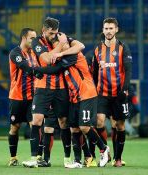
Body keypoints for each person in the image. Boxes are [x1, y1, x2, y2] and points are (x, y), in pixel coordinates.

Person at [34, 34, 110, 168]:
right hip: (75, 97)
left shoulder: (73, 56)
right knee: (74, 129)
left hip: (87, 93)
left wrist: (36, 70)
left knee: (84, 126)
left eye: (64, 44)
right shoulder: (63, 58)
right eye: (60, 45)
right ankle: (77, 161)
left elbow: (54, 69)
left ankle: (104, 149)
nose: (63, 46)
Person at [22, 17, 82, 168]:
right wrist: (62, 46)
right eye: (51, 33)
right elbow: (47, 60)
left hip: (61, 88)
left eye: (55, 33)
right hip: (42, 88)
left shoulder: (61, 36)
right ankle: (34, 158)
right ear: (44, 30)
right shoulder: (37, 42)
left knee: (63, 123)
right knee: (36, 121)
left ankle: (68, 160)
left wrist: (63, 51)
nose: (53, 36)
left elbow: (80, 46)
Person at [92, 17, 132, 167]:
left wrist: (125, 89)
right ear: (103, 30)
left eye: (111, 28)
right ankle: (105, 152)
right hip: (102, 93)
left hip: (118, 94)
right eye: (106, 28)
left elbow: (128, 71)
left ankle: (118, 158)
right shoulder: (97, 50)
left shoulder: (123, 48)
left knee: (119, 126)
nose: (108, 31)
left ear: (116, 29)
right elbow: (94, 73)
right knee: (98, 122)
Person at [7, 28, 42, 166]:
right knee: (15, 127)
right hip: (16, 97)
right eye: (31, 38)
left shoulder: (35, 53)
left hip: (32, 97)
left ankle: (37, 157)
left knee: (34, 125)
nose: (34, 41)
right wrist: (38, 72)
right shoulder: (15, 53)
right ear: (23, 38)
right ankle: (13, 157)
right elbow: (24, 66)